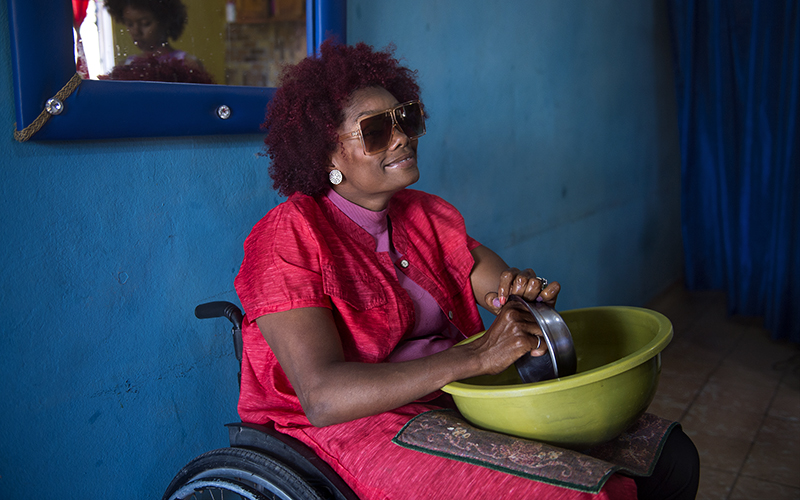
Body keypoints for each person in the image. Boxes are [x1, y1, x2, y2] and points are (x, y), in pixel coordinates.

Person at [235, 40, 699, 499]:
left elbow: (494, 283)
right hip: (353, 427)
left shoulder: (425, 215)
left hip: (451, 398)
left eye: (407, 118)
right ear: (328, 155)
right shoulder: (288, 237)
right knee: (592, 493)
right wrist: (475, 358)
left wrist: (519, 299)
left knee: (670, 460)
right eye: (376, 130)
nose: (402, 138)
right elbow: (322, 396)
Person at [101, 0, 214, 83]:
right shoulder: (125, 67)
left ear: (165, 20)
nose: (136, 31)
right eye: (129, 24)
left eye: (145, 23)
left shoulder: (187, 65)